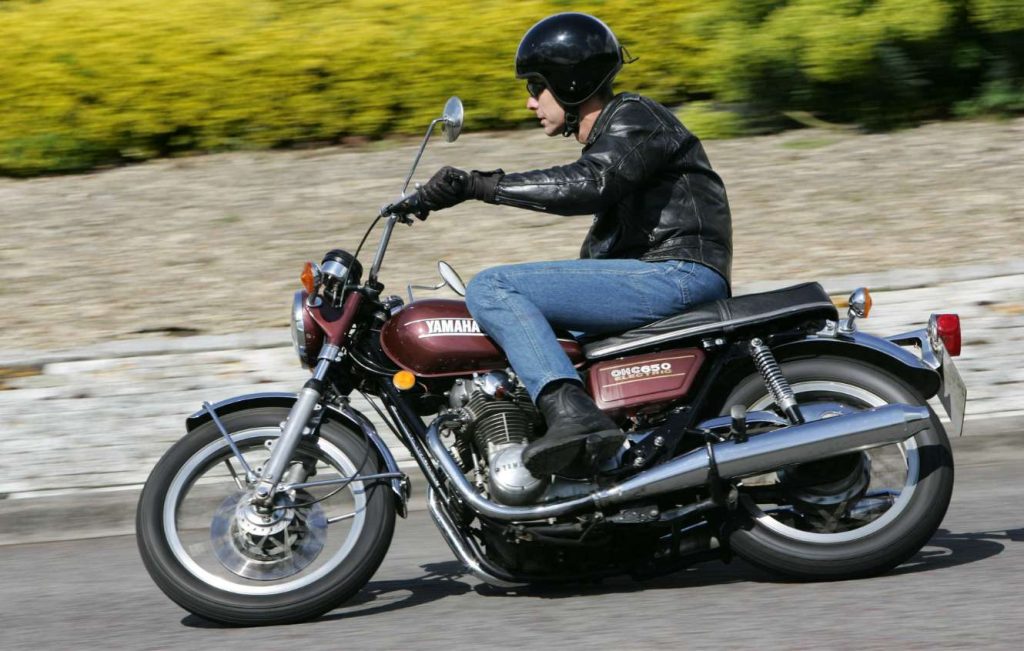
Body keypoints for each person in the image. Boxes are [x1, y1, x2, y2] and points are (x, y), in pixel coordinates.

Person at [393, 12, 733, 477]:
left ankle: (572, 416)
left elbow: (591, 184)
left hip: (678, 273)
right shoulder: (618, 135)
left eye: (536, 87)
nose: (531, 103)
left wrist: (477, 186)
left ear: (570, 82)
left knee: (493, 287)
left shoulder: (637, 118)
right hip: (661, 274)